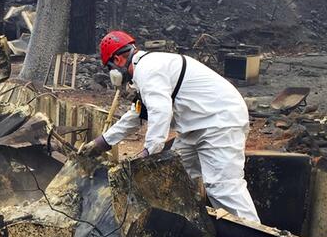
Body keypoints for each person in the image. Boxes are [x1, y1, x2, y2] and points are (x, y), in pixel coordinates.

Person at [82, 30, 260, 223]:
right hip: (196, 127)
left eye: (109, 67)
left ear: (117, 60)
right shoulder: (148, 69)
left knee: (222, 186)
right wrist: (103, 142)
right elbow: (137, 113)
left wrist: (149, 152)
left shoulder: (148, 70)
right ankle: (188, 227)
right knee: (171, 176)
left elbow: (160, 112)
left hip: (220, 122)